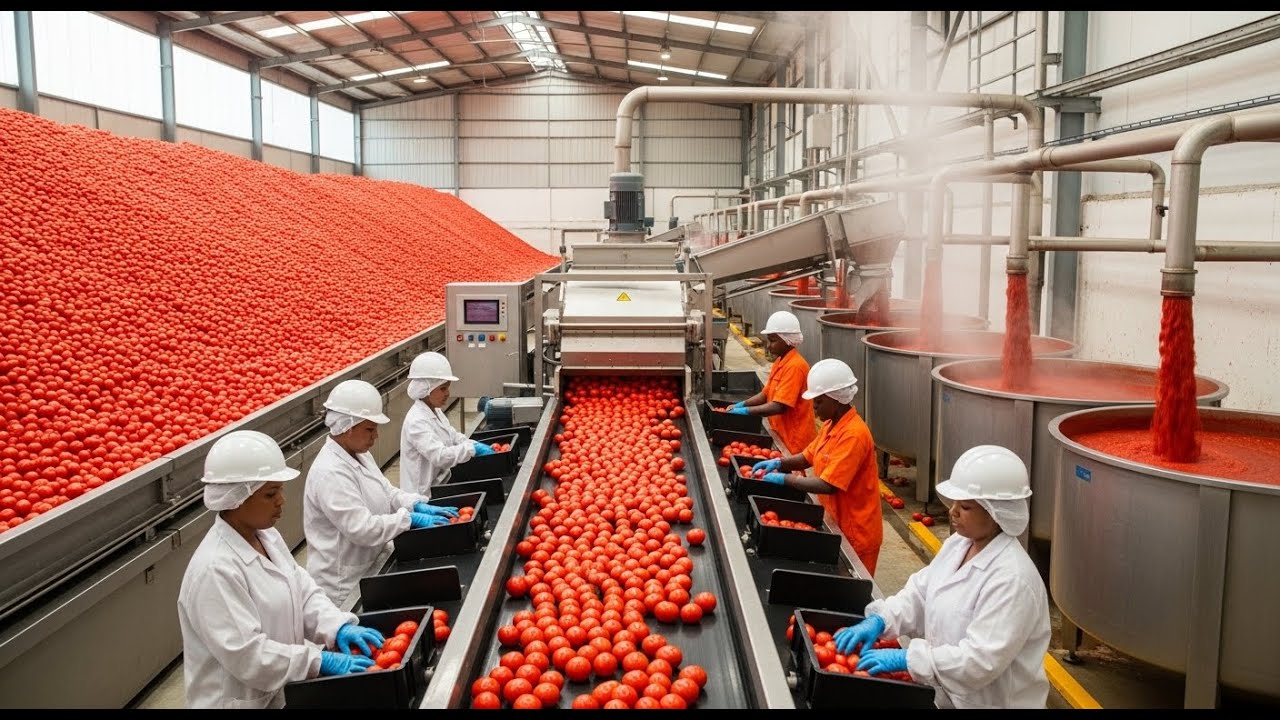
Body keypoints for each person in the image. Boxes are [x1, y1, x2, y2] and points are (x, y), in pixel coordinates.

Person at [177, 430, 388, 709]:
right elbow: (248, 655)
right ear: (237, 497)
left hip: (280, 693)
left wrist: (335, 626)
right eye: (271, 493)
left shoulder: (266, 537)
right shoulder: (215, 570)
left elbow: (302, 591)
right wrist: (318, 660)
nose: (282, 501)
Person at [833, 445, 1051, 709]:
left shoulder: (1013, 580)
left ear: (996, 512)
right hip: (943, 695)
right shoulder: (959, 544)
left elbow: (978, 662)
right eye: (955, 502)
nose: (953, 511)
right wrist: (883, 619)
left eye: (966, 506)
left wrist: (909, 660)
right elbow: (921, 593)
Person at [304, 379, 458, 604]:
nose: (375, 436)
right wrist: (408, 519)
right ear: (347, 426)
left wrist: (414, 503)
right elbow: (362, 529)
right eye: (370, 429)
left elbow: (386, 490)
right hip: (345, 585)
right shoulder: (330, 473)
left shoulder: (359, 453)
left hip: (372, 565)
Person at [751, 358, 881, 574]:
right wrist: (779, 463)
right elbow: (807, 456)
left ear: (835, 400)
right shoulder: (833, 424)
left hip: (856, 531)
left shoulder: (854, 435)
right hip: (835, 519)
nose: (814, 407)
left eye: (818, 402)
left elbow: (828, 485)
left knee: (849, 591)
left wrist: (785, 479)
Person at [399, 351, 495, 496]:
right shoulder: (416, 421)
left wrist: (470, 443)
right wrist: (471, 449)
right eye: (443, 388)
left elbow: (452, 436)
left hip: (439, 484)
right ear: (427, 389)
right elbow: (440, 456)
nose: (448, 393)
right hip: (422, 497)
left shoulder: (434, 411)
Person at [727, 310, 818, 455]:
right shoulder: (780, 361)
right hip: (781, 432)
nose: (769, 346)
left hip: (794, 439)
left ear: (787, 340)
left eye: (773, 341)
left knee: (794, 472)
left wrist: (746, 412)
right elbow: (765, 394)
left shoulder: (795, 367)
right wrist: (742, 404)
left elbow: (779, 406)